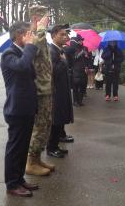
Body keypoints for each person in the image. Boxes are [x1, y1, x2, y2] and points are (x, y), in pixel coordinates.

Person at [1, 21, 40, 197]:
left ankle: (19, 179)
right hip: (16, 109)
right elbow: (23, 66)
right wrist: (30, 47)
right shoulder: (9, 54)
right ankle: (11, 184)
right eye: (29, 33)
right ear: (19, 35)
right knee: (15, 147)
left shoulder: (23, 52)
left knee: (23, 146)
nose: (32, 37)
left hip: (26, 107)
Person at [26, 5, 55, 176]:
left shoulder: (40, 35)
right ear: (37, 18)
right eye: (45, 18)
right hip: (39, 89)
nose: (48, 20)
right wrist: (41, 27)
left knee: (46, 125)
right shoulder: (34, 34)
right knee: (39, 126)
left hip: (46, 87)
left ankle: (37, 158)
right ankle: (31, 161)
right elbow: (34, 46)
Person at [47, 24, 74, 158]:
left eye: (66, 34)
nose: (66, 37)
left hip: (62, 90)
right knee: (55, 121)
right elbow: (53, 72)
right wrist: (63, 62)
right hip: (56, 92)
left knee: (60, 119)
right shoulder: (52, 51)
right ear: (53, 36)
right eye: (62, 35)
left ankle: (56, 144)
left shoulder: (60, 50)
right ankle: (51, 147)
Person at [70, 35, 89, 106]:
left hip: (83, 69)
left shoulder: (85, 48)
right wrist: (81, 53)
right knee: (76, 86)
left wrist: (86, 56)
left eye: (82, 40)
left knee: (82, 86)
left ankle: (80, 101)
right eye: (80, 40)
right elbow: (74, 58)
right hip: (76, 69)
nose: (81, 41)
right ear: (77, 41)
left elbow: (87, 59)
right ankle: (75, 101)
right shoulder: (73, 48)